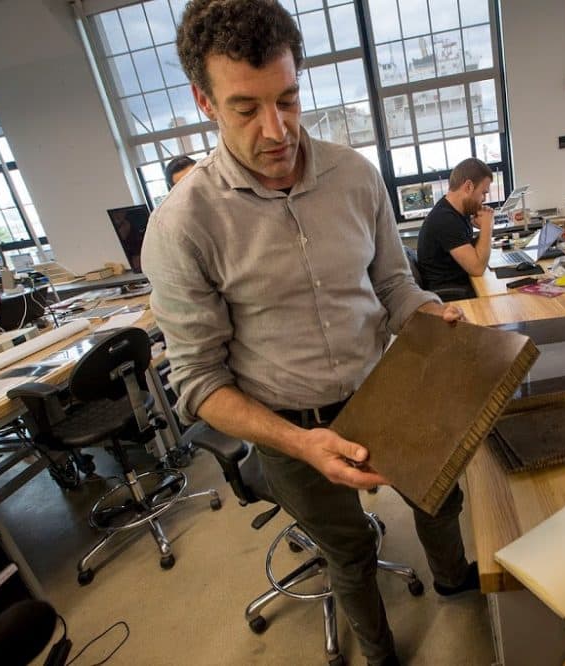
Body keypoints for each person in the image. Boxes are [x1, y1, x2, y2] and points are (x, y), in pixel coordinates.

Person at [142, 2, 478, 664]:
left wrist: (431, 312)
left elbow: (392, 287)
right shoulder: (184, 225)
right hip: (288, 427)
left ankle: (456, 580)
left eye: (289, 99)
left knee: (440, 497)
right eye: (246, 108)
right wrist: (301, 442)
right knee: (349, 551)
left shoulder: (355, 176)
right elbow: (199, 382)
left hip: (385, 390)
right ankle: (380, 655)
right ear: (203, 102)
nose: (277, 129)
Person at [416, 158, 495, 297]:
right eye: (483, 192)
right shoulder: (445, 219)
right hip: (453, 297)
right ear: (468, 186)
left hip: (461, 285)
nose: (484, 199)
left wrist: (482, 230)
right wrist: (487, 227)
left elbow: (471, 253)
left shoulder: (457, 212)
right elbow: (477, 268)